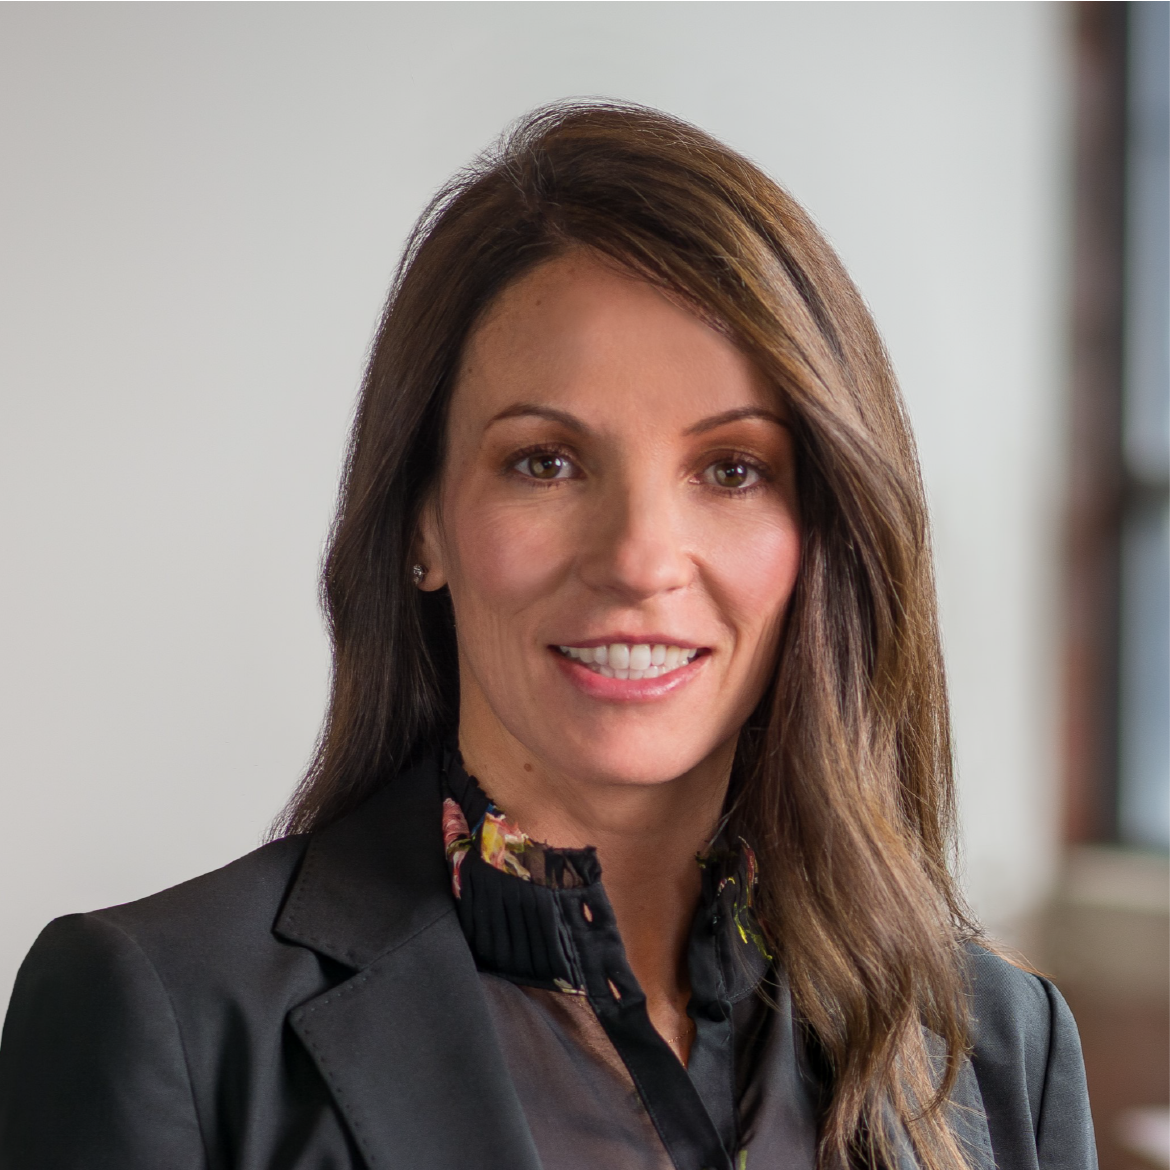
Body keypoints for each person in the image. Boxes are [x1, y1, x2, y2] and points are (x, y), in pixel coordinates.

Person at [0, 102, 1096, 1170]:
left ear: (822, 536)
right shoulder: (168, 1019)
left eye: (731, 470)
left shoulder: (999, 1047)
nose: (638, 557)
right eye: (546, 462)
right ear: (422, 521)